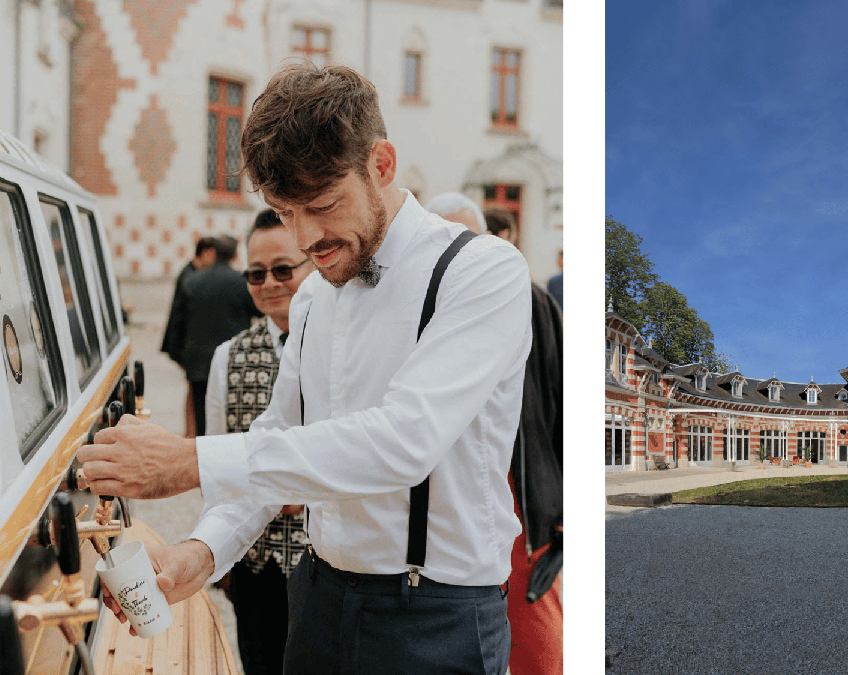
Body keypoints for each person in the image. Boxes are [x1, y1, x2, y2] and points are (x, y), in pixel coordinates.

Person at [80, 62, 531, 675]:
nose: (305, 237)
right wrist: (203, 549)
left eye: (322, 205)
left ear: (382, 165)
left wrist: (189, 460)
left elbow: (404, 443)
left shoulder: (483, 272)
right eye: (286, 212)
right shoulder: (317, 292)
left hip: (433, 619)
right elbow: (278, 440)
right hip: (316, 599)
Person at [433, 198, 564, 675]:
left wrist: (563, 513)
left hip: (519, 502)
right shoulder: (417, 306)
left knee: (539, 649)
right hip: (449, 511)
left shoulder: (533, 302)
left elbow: (564, 403)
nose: (458, 256)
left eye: (470, 241)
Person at [204, 209, 312, 675]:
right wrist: (215, 557)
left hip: (324, 560)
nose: (269, 283)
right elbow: (216, 454)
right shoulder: (227, 356)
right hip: (254, 561)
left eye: (283, 270)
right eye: (256, 273)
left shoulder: (342, 348)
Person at [162, 234, 261, 436]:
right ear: (234, 255)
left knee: (202, 417)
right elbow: (258, 310)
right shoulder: (241, 282)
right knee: (233, 415)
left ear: (214, 253)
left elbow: (177, 321)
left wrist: (178, 354)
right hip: (235, 360)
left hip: (199, 363)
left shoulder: (192, 281)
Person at [162, 236, 218, 437]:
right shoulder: (190, 276)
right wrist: (179, 351)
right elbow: (179, 317)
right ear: (205, 253)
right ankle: (190, 433)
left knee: (192, 391)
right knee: (194, 393)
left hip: (185, 345)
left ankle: (190, 432)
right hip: (186, 345)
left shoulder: (191, 272)